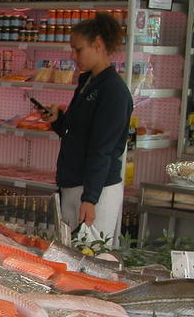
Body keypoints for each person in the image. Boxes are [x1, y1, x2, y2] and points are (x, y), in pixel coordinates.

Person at [45, 12, 133, 243]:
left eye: (79, 49)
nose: (73, 56)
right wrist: (58, 119)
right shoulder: (88, 82)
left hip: (95, 191)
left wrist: (90, 198)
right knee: (70, 254)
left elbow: (102, 148)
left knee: (91, 257)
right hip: (75, 184)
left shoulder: (113, 91)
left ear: (98, 45)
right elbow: (77, 132)